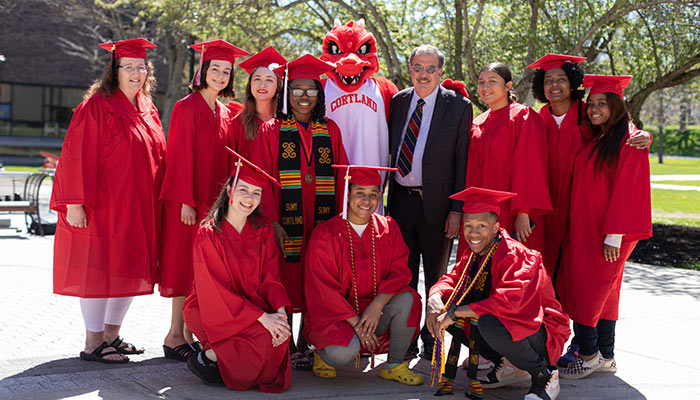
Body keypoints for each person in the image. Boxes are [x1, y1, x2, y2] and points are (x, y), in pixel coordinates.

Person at [527, 54, 652, 367]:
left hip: (588, 218)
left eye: (561, 79)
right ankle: (578, 346)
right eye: (548, 80)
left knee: (592, 286)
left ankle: (587, 350)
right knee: (562, 280)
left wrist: (645, 135)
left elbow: (625, 133)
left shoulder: (587, 116)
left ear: (573, 84)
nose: (554, 85)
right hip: (551, 214)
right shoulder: (537, 119)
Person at [50, 38, 165, 363]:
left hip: (138, 206)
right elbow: (75, 154)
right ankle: (93, 342)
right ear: (114, 71)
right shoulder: (97, 106)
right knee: (99, 270)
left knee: (128, 269)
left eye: (141, 67)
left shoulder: (147, 107)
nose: (136, 73)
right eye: (128, 67)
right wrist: (74, 202)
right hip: (103, 206)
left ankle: (112, 335)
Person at [252, 53, 349, 369]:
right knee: (287, 276)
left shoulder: (329, 129)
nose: (304, 96)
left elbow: (340, 175)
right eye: (297, 89)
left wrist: (338, 221)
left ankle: (309, 339)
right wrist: (272, 222)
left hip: (322, 220)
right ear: (287, 93)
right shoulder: (272, 129)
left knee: (317, 275)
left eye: (311, 90)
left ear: (319, 94)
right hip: (285, 222)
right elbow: (262, 178)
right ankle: (289, 342)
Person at [427, 187, 570, 400]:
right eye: (468, 226)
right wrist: (434, 298)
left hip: (542, 331)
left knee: (486, 323)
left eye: (482, 226)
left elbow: (510, 302)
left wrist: (457, 313)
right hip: (516, 327)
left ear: (496, 227)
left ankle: (544, 373)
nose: (473, 233)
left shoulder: (517, 256)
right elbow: (452, 280)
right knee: (451, 316)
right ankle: (512, 365)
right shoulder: (475, 253)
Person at [158, 39, 249, 361]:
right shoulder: (187, 107)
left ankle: (188, 334)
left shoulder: (224, 111)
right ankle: (173, 335)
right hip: (188, 203)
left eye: (226, 71)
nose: (221, 75)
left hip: (212, 206)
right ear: (203, 71)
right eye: (216, 69)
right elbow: (179, 156)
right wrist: (184, 201)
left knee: (201, 269)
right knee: (184, 266)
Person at [557, 75, 652, 379]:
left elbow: (629, 189)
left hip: (607, 232)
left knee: (587, 291)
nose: (595, 108)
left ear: (616, 105)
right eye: (592, 103)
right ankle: (606, 356)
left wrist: (614, 235)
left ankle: (587, 355)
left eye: (602, 103)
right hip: (588, 229)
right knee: (605, 296)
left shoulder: (629, 140)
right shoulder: (602, 137)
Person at [386, 44, 471, 359]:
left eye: (430, 68)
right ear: (410, 69)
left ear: (441, 72)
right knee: (403, 277)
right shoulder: (397, 102)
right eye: (417, 67)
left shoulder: (459, 107)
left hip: (438, 206)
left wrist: (456, 210)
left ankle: (432, 336)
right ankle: (405, 338)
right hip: (400, 204)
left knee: (436, 278)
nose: (423, 74)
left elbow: (462, 160)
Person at [183, 149, 292, 392]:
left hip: (253, 306)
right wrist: (264, 318)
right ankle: (207, 359)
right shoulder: (208, 235)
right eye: (243, 189)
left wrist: (281, 316)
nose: (249, 198)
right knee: (263, 338)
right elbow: (216, 290)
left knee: (279, 339)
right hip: (214, 309)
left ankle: (226, 363)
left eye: (256, 193)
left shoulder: (263, 231)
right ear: (229, 191)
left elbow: (271, 278)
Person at [304, 165, 424, 385]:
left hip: (372, 312)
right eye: (360, 193)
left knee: (409, 298)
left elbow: (400, 272)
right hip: (336, 316)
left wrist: (377, 305)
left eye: (373, 194)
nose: (366, 200)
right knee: (342, 354)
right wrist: (356, 324)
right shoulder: (326, 234)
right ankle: (322, 355)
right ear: (348, 194)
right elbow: (324, 290)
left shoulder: (388, 228)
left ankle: (394, 365)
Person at [456, 62, 552, 265]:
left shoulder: (524, 117)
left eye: (492, 81)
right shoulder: (477, 122)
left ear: (508, 86)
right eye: (481, 82)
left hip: (510, 210)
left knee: (510, 266)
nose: (485, 87)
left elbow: (530, 167)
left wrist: (523, 212)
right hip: (479, 212)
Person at [229, 46, 286, 159]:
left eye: (269, 80)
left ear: (278, 86)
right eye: (257, 79)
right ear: (250, 84)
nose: (262, 85)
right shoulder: (238, 123)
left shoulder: (287, 121)